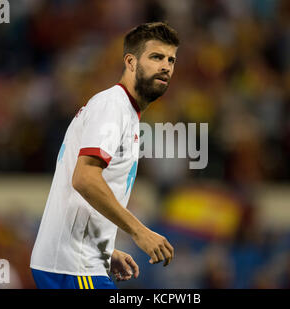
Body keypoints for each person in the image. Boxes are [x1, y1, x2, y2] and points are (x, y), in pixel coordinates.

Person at [30, 22, 180, 289]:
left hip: (77, 261)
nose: (166, 66)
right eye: (156, 57)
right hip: (73, 267)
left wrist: (104, 249)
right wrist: (139, 232)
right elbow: (84, 179)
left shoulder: (125, 112)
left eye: (171, 59)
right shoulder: (113, 106)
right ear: (131, 62)